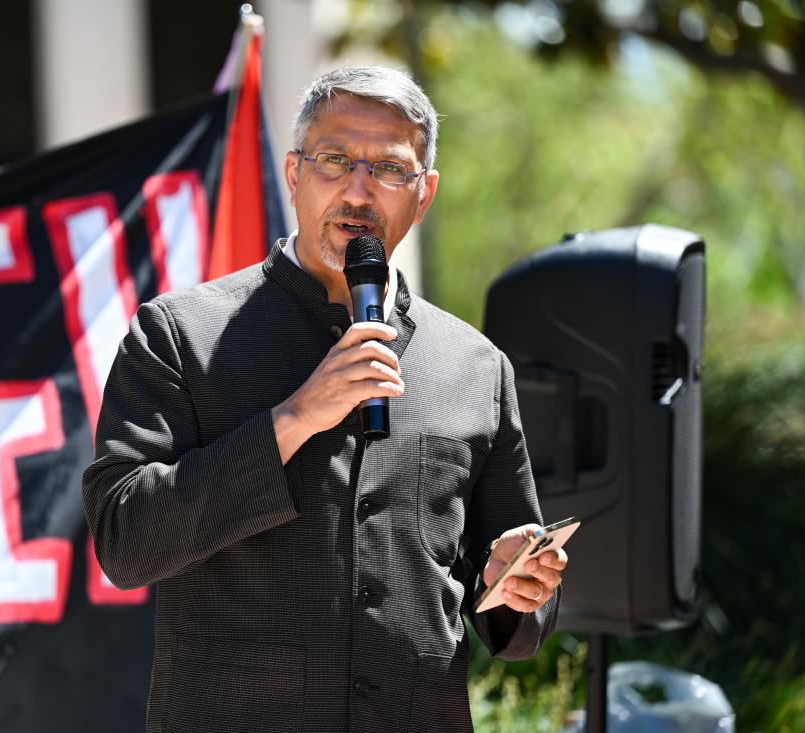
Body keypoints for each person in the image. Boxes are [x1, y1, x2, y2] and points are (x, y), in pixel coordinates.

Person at [83, 65, 568, 733]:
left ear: (423, 195)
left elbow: (509, 618)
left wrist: (517, 588)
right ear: (293, 174)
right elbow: (125, 541)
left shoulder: (475, 367)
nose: (359, 190)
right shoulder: (180, 334)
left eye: (390, 170)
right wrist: (293, 419)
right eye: (335, 160)